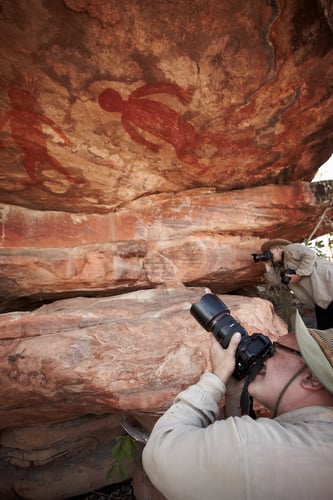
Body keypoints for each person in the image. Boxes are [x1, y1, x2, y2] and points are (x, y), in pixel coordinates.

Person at [142, 311, 333, 500]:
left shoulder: (262, 449)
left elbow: (160, 452)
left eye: (274, 351)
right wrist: (234, 393)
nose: (263, 357)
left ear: (312, 378)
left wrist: (215, 379)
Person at [259, 239, 333, 329]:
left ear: (278, 248)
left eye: (269, 252)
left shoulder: (290, 249)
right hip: (321, 298)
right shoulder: (282, 268)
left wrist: (299, 274)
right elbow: (275, 281)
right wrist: (267, 264)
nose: (268, 254)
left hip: (327, 284)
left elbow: (310, 254)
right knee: (324, 330)